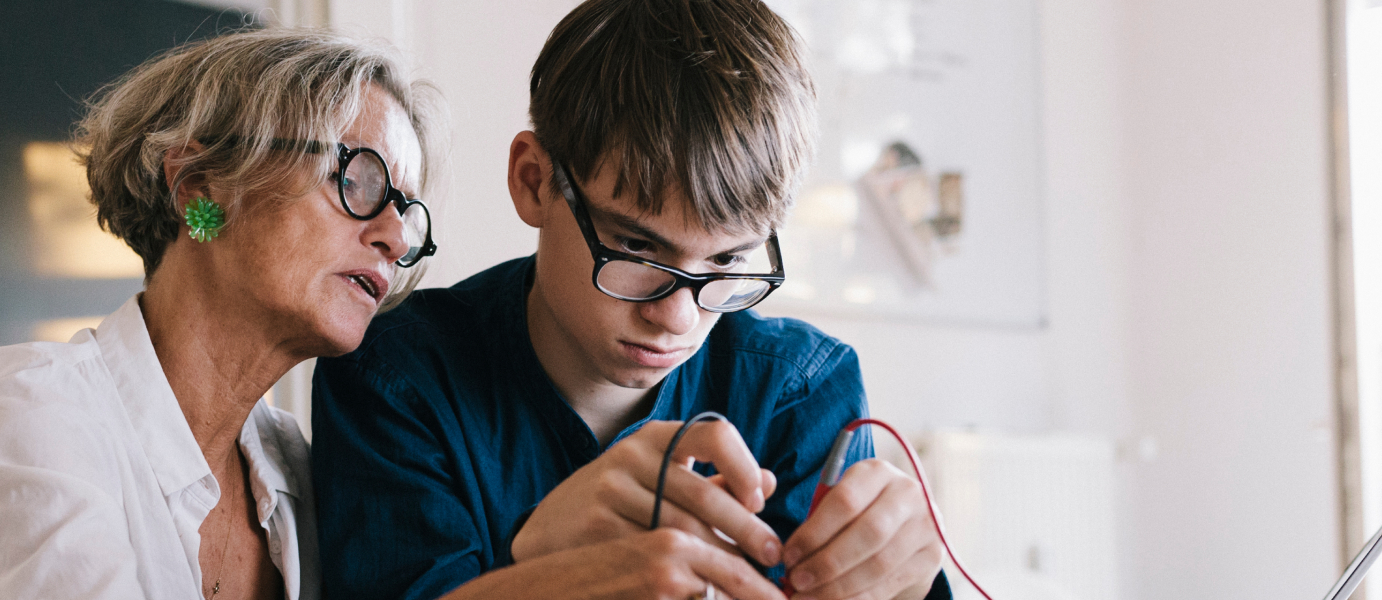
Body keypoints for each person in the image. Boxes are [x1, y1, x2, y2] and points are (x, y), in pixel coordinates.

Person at [312, 1, 952, 599]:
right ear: (534, 182)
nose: (676, 316)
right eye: (637, 250)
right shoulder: (394, 376)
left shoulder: (798, 392)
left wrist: (905, 579)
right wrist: (532, 568)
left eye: (727, 261)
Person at [0, 28, 441, 600]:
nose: (393, 235)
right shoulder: (33, 422)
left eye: (407, 212)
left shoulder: (293, 469)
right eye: (360, 180)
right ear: (199, 188)